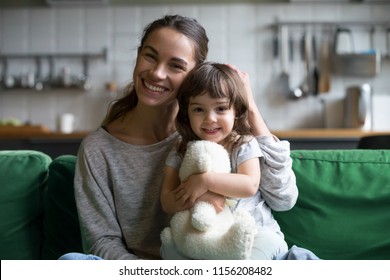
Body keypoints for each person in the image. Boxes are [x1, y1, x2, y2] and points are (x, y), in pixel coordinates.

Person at [59, 14, 298, 260]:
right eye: (150, 56)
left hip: (242, 256)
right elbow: (101, 242)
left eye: (176, 65)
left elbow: (284, 199)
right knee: (71, 263)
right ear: (138, 55)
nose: (157, 73)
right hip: (162, 263)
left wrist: (250, 107)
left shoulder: (216, 133)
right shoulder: (98, 149)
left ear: (194, 75)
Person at [160, 62, 293, 260]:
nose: (210, 118)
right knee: (168, 250)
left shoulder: (243, 144)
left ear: (236, 111)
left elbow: (249, 185)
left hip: (256, 235)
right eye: (198, 110)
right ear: (187, 113)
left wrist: (204, 182)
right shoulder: (180, 150)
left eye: (221, 108)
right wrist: (195, 197)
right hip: (207, 240)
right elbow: (167, 202)